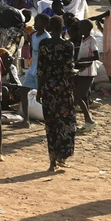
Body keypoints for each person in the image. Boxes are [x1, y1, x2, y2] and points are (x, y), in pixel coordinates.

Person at [37, 16, 76, 172]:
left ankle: (52, 161)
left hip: (48, 87)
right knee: (65, 122)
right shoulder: (68, 45)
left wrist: (39, 90)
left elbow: (41, 69)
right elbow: (69, 68)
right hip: (64, 88)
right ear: (63, 27)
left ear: (49, 27)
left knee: (50, 124)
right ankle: (62, 155)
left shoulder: (43, 44)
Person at [18, 13, 49, 127]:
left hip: (41, 70)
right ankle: (26, 120)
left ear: (45, 24)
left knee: (43, 96)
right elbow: (32, 53)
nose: (35, 24)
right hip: (33, 69)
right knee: (23, 91)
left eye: (37, 22)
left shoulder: (46, 38)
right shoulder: (34, 36)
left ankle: (49, 120)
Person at [74, 19, 99, 132]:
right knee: (82, 97)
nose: (79, 30)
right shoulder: (83, 40)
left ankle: (89, 120)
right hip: (81, 71)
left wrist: (84, 59)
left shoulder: (91, 40)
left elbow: (96, 56)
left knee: (78, 96)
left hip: (88, 72)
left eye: (81, 28)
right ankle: (85, 122)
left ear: (86, 29)